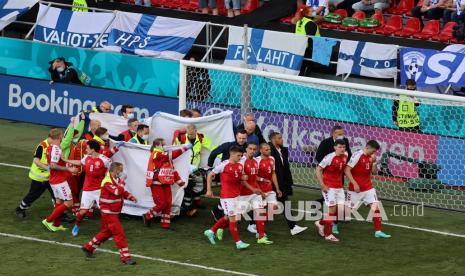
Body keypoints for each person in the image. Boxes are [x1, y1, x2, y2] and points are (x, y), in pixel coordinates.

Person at [82, 162, 137, 265]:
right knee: (119, 233)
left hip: (112, 212)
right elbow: (117, 192)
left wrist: (130, 196)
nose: (122, 172)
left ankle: (88, 247)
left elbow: (121, 192)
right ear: (115, 170)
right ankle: (126, 258)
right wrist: (123, 182)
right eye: (120, 170)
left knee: (106, 232)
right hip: (109, 213)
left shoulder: (115, 180)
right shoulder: (107, 181)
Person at [203, 145, 250, 250]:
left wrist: (243, 177)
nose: (240, 157)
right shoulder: (223, 165)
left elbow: (240, 176)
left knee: (230, 217)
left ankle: (211, 231)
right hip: (227, 197)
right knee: (233, 219)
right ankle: (238, 243)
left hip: (237, 196)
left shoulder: (239, 165)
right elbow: (210, 174)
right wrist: (209, 190)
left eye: (241, 156)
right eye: (238, 155)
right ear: (232, 154)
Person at [344, 140, 391, 238]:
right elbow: (347, 170)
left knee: (376, 208)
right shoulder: (357, 155)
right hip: (355, 189)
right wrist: (354, 184)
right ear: (367, 147)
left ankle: (378, 232)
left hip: (368, 188)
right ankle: (332, 224)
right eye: (373, 151)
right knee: (346, 211)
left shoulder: (371, 157)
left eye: (375, 152)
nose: (374, 153)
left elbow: (374, 173)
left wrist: (374, 163)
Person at [65, 140, 111, 236]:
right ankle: (77, 225)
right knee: (83, 212)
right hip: (87, 190)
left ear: (93, 149)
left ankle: (105, 231)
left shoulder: (105, 160)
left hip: (100, 190)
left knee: (105, 212)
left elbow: (111, 171)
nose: (85, 149)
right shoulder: (87, 158)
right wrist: (66, 160)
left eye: (87, 148)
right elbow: (79, 162)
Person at [142, 139, 191, 229]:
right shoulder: (156, 154)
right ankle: (147, 215)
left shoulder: (165, 157)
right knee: (162, 204)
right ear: (157, 145)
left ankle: (165, 225)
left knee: (168, 204)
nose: (164, 146)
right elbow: (172, 155)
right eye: (163, 144)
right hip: (156, 182)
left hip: (166, 182)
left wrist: (180, 182)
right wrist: (184, 149)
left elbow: (172, 170)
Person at [269, 132, 308, 235]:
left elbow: (285, 168)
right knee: (269, 204)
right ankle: (253, 224)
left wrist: (288, 181)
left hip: (282, 182)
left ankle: (293, 226)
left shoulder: (283, 150)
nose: (282, 139)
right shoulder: (268, 150)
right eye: (279, 138)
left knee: (282, 204)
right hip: (271, 182)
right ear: (273, 140)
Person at [314, 125, 352, 234]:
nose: (342, 136)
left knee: (339, 209)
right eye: (339, 134)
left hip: (339, 180)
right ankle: (329, 232)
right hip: (328, 179)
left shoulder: (345, 146)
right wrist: (330, 165)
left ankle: (321, 223)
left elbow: (347, 157)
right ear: (333, 134)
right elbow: (319, 160)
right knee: (332, 208)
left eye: (342, 133)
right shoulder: (326, 144)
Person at [42, 129, 78, 232]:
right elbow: (53, 165)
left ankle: (56, 225)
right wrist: (68, 169)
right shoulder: (56, 149)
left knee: (59, 201)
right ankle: (48, 220)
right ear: (59, 137)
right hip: (59, 181)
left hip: (54, 180)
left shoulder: (50, 148)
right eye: (62, 135)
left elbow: (56, 163)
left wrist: (67, 165)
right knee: (69, 202)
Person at [208, 130, 248, 221]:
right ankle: (220, 211)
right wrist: (209, 166)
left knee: (238, 193)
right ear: (236, 136)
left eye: (244, 138)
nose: (241, 140)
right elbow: (214, 152)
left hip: (240, 173)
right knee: (228, 193)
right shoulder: (228, 145)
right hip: (227, 173)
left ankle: (226, 212)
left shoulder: (247, 147)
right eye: (240, 138)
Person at [174, 124, 214, 215]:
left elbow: (212, 146)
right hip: (184, 165)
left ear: (196, 131)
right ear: (186, 131)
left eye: (192, 134)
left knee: (196, 183)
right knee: (187, 184)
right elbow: (175, 149)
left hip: (195, 166)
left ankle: (195, 202)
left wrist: (220, 155)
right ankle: (186, 204)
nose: (190, 136)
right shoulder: (181, 138)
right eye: (189, 134)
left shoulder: (201, 137)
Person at [238, 143, 273, 245]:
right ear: (246, 149)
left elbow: (254, 179)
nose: (252, 151)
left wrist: (259, 190)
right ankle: (215, 229)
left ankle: (261, 236)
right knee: (234, 217)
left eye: (254, 149)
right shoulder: (241, 162)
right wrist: (254, 189)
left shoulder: (255, 162)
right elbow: (241, 180)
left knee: (260, 212)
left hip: (254, 193)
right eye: (250, 149)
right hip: (243, 194)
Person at [15, 130, 56, 218]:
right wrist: (47, 167)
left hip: (50, 177)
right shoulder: (42, 146)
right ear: (53, 138)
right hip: (40, 178)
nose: (60, 140)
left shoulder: (54, 145)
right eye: (59, 139)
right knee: (33, 195)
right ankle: (20, 209)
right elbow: (36, 160)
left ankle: (60, 214)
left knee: (57, 195)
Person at [255, 143, 283, 240]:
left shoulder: (272, 159)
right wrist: (261, 185)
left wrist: (277, 188)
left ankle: (258, 226)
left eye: (269, 149)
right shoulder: (257, 161)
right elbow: (253, 177)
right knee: (261, 212)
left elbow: (273, 173)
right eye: (266, 150)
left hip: (269, 189)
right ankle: (260, 233)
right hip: (259, 190)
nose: (269, 151)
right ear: (261, 150)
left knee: (274, 209)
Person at [292, 6, 320, 76]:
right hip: (308, 48)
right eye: (312, 11)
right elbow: (311, 38)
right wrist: (312, 49)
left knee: (302, 65)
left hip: (299, 46)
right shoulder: (310, 23)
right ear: (307, 14)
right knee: (307, 65)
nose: (314, 12)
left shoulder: (300, 21)